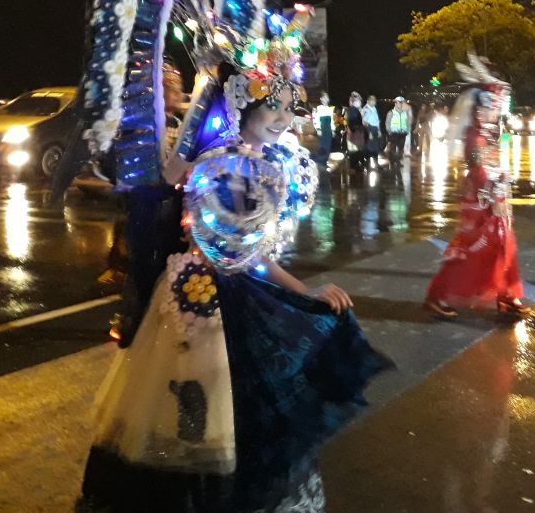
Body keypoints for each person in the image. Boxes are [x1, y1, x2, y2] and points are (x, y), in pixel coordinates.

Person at [81, 39, 391, 512]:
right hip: (202, 302)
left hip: (223, 294)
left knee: (220, 412)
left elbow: (257, 255)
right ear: (243, 105)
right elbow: (243, 256)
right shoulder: (223, 165)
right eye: (275, 109)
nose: (285, 120)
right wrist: (302, 292)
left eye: (290, 109)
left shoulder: (258, 164)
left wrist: (303, 291)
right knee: (201, 407)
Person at [424, 54, 528, 319]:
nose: (496, 112)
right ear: (480, 109)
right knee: (471, 249)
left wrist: (503, 188)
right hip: (481, 200)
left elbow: (496, 163)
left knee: (504, 245)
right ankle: (439, 295)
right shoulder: (475, 136)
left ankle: (506, 295)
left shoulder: (491, 132)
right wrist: (494, 195)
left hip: (497, 197)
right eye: (492, 107)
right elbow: (479, 170)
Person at [385, 96, 412, 164]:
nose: (400, 104)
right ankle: (392, 161)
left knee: (401, 149)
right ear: (395, 103)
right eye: (399, 102)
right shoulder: (391, 112)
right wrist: (389, 131)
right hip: (394, 133)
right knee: (393, 148)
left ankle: (398, 161)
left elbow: (407, 122)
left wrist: (407, 130)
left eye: (402, 103)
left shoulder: (405, 113)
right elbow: (387, 123)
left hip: (403, 133)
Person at [345, 92, 367, 172]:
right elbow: (352, 123)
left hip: (356, 134)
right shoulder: (353, 110)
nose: (360, 102)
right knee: (354, 150)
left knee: (356, 150)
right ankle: (353, 167)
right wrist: (360, 128)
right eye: (359, 101)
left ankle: (356, 165)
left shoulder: (355, 110)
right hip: (354, 134)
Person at [313, 92, 334, 164]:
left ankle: (325, 161)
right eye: (324, 97)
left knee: (328, 145)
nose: (326, 99)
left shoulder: (330, 109)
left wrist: (333, 130)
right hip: (322, 129)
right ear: (321, 99)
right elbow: (316, 119)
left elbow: (332, 121)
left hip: (328, 130)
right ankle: (320, 161)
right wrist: (318, 128)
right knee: (322, 145)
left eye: (327, 97)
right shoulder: (319, 108)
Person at [362, 95, 382, 168]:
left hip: (375, 128)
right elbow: (364, 122)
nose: (374, 102)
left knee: (375, 147)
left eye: (374, 100)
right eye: (372, 100)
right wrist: (369, 132)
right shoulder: (366, 109)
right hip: (369, 129)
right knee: (369, 147)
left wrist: (379, 130)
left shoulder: (374, 108)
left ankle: (376, 163)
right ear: (368, 101)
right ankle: (367, 164)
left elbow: (377, 120)